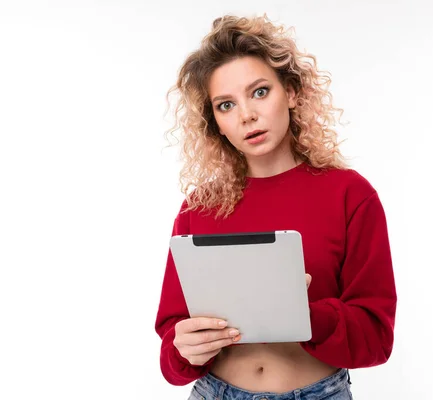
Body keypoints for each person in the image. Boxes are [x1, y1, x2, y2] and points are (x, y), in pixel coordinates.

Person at [155, 13, 397, 400]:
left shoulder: (350, 194)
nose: (247, 114)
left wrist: (302, 314)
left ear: (292, 92)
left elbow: (376, 337)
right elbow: (172, 346)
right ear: (215, 122)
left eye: (260, 92)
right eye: (225, 105)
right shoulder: (198, 208)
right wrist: (183, 350)